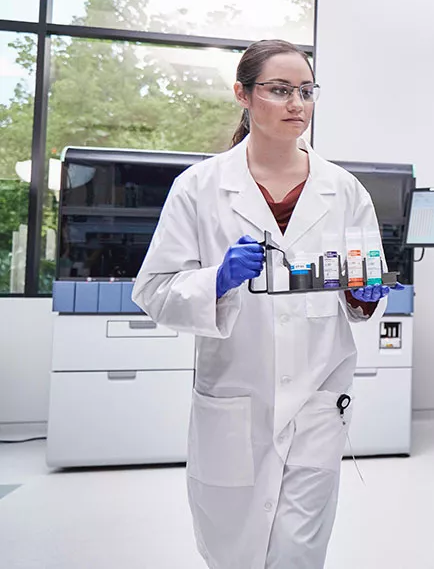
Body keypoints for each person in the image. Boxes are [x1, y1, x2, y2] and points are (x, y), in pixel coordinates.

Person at [132, 39, 400, 569]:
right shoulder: (199, 188)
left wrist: (363, 298)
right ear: (244, 95)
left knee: (300, 549)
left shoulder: (345, 191)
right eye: (279, 90)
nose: (296, 104)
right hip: (235, 399)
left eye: (305, 91)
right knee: (233, 545)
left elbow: (364, 289)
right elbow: (155, 291)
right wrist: (217, 280)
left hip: (318, 400)